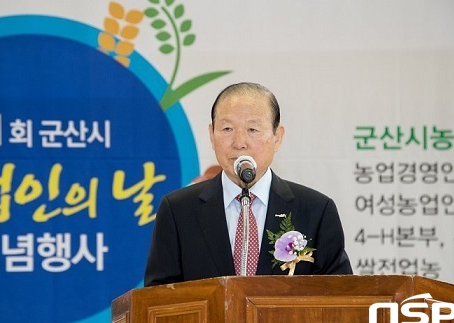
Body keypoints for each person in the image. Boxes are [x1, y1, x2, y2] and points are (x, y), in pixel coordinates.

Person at [144, 82, 352, 286]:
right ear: (211, 135)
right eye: (227, 128)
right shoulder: (178, 211)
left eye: (252, 129)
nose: (239, 142)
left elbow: (338, 297)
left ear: (277, 137)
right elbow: (158, 299)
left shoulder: (315, 211)